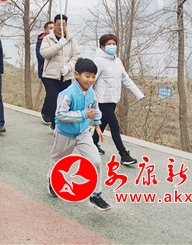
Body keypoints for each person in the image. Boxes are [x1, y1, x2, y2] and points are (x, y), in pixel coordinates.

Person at [47, 57, 111, 211]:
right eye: (87, 76)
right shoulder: (67, 94)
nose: (91, 80)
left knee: (95, 160)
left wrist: (97, 125)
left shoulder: (91, 93)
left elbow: (95, 109)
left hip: (83, 133)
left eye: (93, 76)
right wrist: (82, 115)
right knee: (58, 159)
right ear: (76, 74)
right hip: (64, 133)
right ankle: (52, 180)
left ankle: (95, 195)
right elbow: (60, 114)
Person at [91, 34, 144, 165]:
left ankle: (92, 144)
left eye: (114, 44)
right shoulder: (98, 61)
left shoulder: (117, 61)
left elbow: (126, 79)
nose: (112, 46)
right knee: (114, 125)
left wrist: (138, 94)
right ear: (102, 46)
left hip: (113, 99)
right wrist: (86, 99)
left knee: (102, 123)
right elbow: (91, 81)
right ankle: (124, 154)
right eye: (109, 44)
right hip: (101, 100)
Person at [40, 14, 81, 131]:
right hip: (51, 75)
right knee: (53, 98)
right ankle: (54, 124)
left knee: (64, 100)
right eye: (58, 25)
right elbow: (44, 53)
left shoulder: (71, 39)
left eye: (63, 25)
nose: (60, 27)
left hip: (65, 76)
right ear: (54, 25)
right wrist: (58, 45)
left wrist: (69, 67)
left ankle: (62, 123)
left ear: (66, 25)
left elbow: (76, 56)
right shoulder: (48, 39)